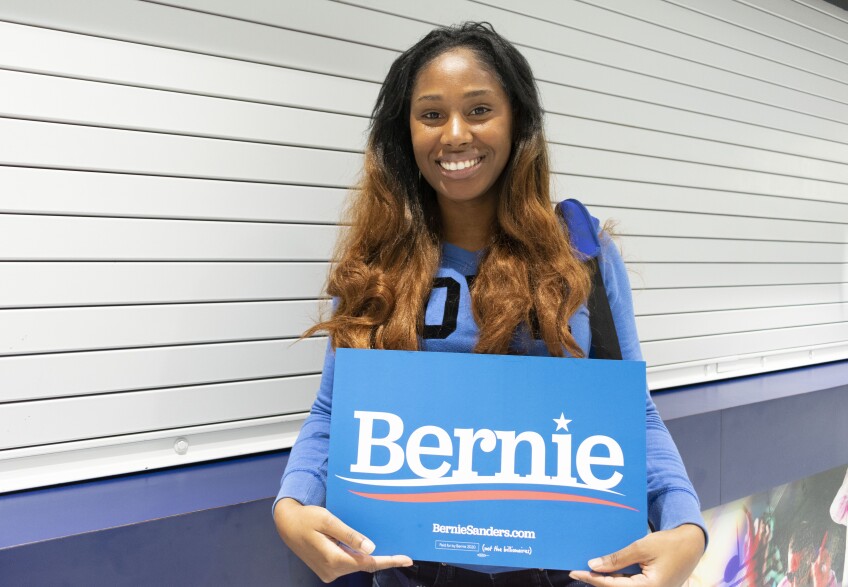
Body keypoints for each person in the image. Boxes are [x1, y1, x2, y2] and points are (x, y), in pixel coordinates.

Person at [273, 22, 706, 587]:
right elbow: (333, 412)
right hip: (411, 576)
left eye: (479, 110)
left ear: (518, 121)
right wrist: (291, 505)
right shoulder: (376, 265)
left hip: (560, 575)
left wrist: (686, 525)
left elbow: (632, 414)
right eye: (431, 115)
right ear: (404, 133)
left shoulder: (583, 255)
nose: (455, 135)